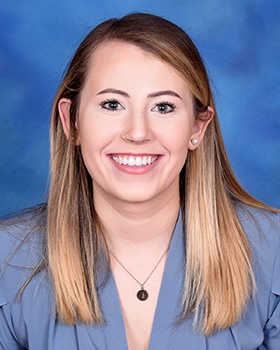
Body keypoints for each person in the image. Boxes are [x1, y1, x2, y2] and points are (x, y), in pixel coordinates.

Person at [0, 13, 279, 350]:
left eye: (163, 107)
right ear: (71, 122)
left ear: (197, 128)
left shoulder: (272, 252)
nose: (137, 133)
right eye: (112, 104)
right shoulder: (7, 262)